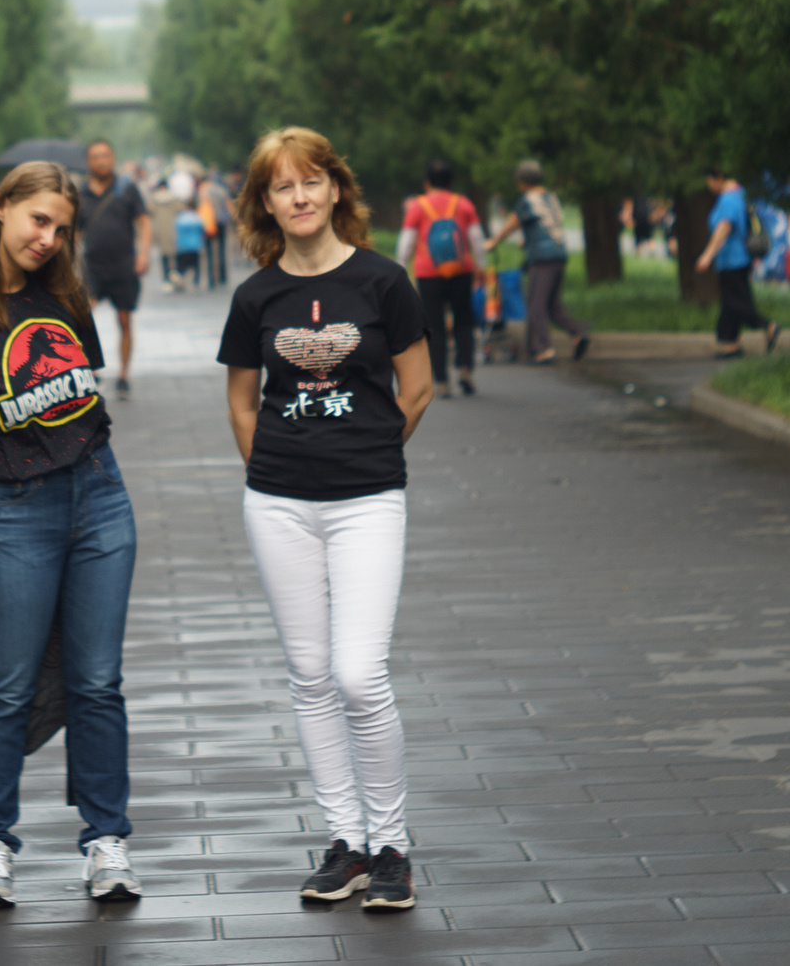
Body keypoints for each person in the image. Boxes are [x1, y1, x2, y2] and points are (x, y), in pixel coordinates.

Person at [219, 127, 433, 912]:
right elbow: (242, 402)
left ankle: (392, 849)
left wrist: (364, 452)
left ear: (335, 188)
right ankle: (345, 844)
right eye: (283, 186)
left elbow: (417, 387)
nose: (300, 196)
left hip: (368, 499)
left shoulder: (384, 283)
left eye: (312, 180)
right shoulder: (256, 297)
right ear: (266, 203)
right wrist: (274, 467)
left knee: (358, 673)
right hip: (277, 503)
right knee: (310, 677)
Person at [0, 162, 139, 909]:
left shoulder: (66, 298)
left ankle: (107, 841)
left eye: (62, 228)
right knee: (6, 685)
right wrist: (5, 505)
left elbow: (83, 395)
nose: (49, 238)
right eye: (38, 220)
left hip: (101, 499)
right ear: (2, 208)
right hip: (17, 510)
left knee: (97, 682)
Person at [485, 161, 589, 363]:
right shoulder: (550, 197)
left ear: (522, 182)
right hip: (559, 254)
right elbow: (547, 224)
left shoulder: (527, 199)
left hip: (542, 258)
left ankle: (543, 349)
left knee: (536, 305)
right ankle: (577, 333)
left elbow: (513, 222)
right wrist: (528, 239)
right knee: (552, 305)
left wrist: (494, 242)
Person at [397, 160, 485, 396]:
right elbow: (476, 239)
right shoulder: (464, 204)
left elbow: (407, 241)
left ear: (427, 183)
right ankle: (465, 369)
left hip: (428, 273)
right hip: (461, 270)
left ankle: (442, 382)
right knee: (463, 320)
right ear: (451, 182)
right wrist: (481, 267)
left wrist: (400, 267)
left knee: (434, 325)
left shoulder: (418, 206)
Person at [77, 140, 151, 399]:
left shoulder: (126, 189)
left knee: (124, 319)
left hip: (123, 265)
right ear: (88, 162)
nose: (100, 161)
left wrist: (143, 254)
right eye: (95, 157)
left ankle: (124, 375)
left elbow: (144, 220)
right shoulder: (81, 194)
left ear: (113, 158)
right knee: (83, 317)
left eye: (105, 156)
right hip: (92, 266)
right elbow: (75, 232)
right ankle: (90, 371)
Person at [695, 165, 783, 358]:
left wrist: (707, 255)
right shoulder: (740, 194)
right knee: (730, 305)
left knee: (734, 303)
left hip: (732, 260)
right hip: (738, 259)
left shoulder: (728, 199)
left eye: (709, 181)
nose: (709, 186)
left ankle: (767, 325)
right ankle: (731, 346)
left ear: (717, 178)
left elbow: (723, 229)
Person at [200, 169, 233, 287]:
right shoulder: (222, 190)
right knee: (221, 250)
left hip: (208, 223)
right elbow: (229, 207)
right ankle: (222, 277)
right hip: (221, 222)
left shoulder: (203, 190)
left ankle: (211, 280)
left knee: (209, 252)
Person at [172, 201, 206, 289]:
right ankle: (196, 282)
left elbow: (176, 231)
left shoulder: (180, 217)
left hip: (182, 246)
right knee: (196, 266)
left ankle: (180, 283)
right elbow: (202, 230)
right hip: (195, 245)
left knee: (181, 267)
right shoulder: (198, 217)